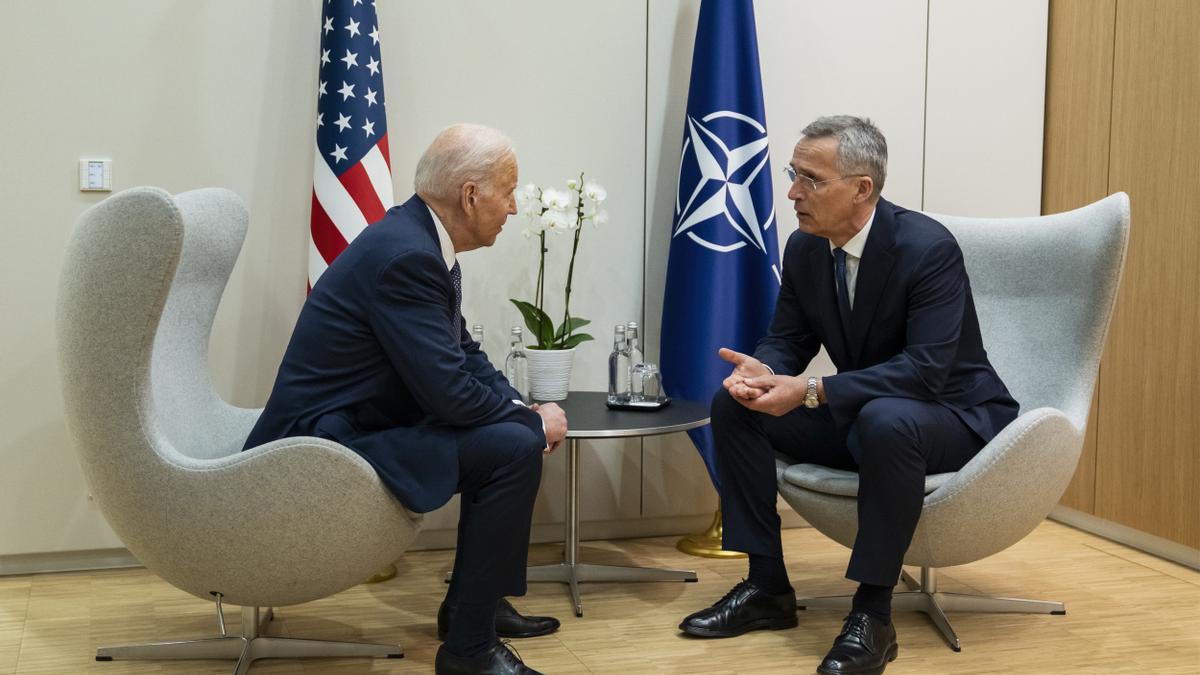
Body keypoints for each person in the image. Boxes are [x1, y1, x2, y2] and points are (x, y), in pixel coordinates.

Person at [677, 116, 1018, 675]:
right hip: (873, 412)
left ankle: (872, 616)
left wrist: (810, 389)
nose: (792, 192)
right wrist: (762, 373)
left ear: (862, 188)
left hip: (955, 415)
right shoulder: (807, 248)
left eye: (810, 179)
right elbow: (788, 338)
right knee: (734, 407)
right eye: (794, 174)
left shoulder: (926, 248)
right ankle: (766, 587)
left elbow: (925, 371)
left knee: (887, 421)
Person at [245, 123, 566, 675]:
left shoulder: (420, 242)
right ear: (471, 195)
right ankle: (469, 649)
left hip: (358, 425)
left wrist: (524, 410)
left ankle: (474, 609)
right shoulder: (408, 257)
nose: (514, 207)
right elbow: (451, 396)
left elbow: (465, 355)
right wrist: (533, 425)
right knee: (512, 448)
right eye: (508, 191)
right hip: (322, 446)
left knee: (512, 436)